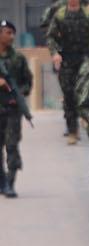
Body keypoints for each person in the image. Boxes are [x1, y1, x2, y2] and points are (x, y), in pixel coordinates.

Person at [46, 0, 89, 144]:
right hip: (67, 60)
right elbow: (51, 36)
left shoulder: (88, 14)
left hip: (86, 60)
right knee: (69, 95)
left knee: (88, 93)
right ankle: (72, 130)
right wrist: (54, 53)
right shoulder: (59, 15)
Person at [0, 19, 29, 197]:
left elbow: (27, 83)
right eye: (6, 32)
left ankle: (10, 183)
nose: (10, 36)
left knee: (11, 146)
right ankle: (1, 181)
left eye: (12, 33)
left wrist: (16, 96)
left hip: (12, 111)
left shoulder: (18, 59)